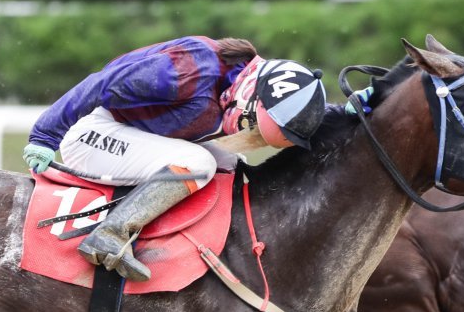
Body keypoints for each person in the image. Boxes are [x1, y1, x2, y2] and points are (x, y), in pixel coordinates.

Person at [23, 35, 327, 282]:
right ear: (250, 95)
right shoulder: (188, 70)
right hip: (92, 134)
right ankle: (110, 234)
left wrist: (348, 112)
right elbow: (101, 82)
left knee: (231, 162)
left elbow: (291, 113)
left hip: (130, 132)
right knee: (199, 164)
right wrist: (45, 136)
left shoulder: (246, 84)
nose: (248, 134)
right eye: (252, 126)